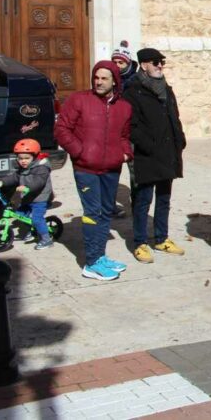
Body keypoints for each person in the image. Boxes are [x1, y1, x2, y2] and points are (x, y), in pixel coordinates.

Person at [55, 60, 133, 281]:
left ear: (114, 81)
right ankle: (91, 263)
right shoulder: (78, 100)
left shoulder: (124, 107)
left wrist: (125, 153)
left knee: (106, 211)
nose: (99, 82)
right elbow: (62, 129)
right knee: (92, 213)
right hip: (86, 169)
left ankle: (100, 256)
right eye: (96, 77)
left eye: (104, 78)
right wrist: (80, 152)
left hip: (111, 168)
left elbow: (124, 136)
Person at [123, 48, 187, 264]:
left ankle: (161, 238)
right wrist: (148, 145)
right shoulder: (133, 90)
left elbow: (174, 116)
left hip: (168, 152)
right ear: (143, 65)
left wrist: (180, 139)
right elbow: (131, 126)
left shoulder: (166, 89)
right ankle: (140, 242)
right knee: (142, 201)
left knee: (164, 199)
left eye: (161, 62)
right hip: (146, 155)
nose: (160, 65)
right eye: (155, 62)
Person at [0, 139, 55, 250]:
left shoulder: (42, 168)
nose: (23, 161)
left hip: (40, 198)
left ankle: (46, 240)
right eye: (20, 158)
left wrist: (26, 187)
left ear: (35, 157)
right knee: (20, 214)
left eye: (27, 158)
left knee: (36, 219)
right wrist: (2, 181)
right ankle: (32, 231)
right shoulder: (22, 169)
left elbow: (38, 182)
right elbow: (14, 177)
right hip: (28, 197)